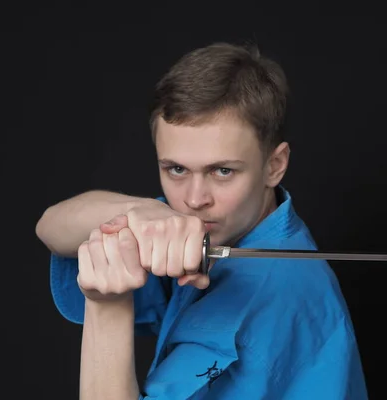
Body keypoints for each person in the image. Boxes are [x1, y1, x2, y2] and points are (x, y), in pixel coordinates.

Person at [36, 41, 369, 400]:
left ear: (275, 165)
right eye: (176, 169)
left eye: (223, 171)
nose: (194, 199)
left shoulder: (265, 308)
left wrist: (107, 307)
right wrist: (142, 211)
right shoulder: (219, 225)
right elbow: (50, 226)